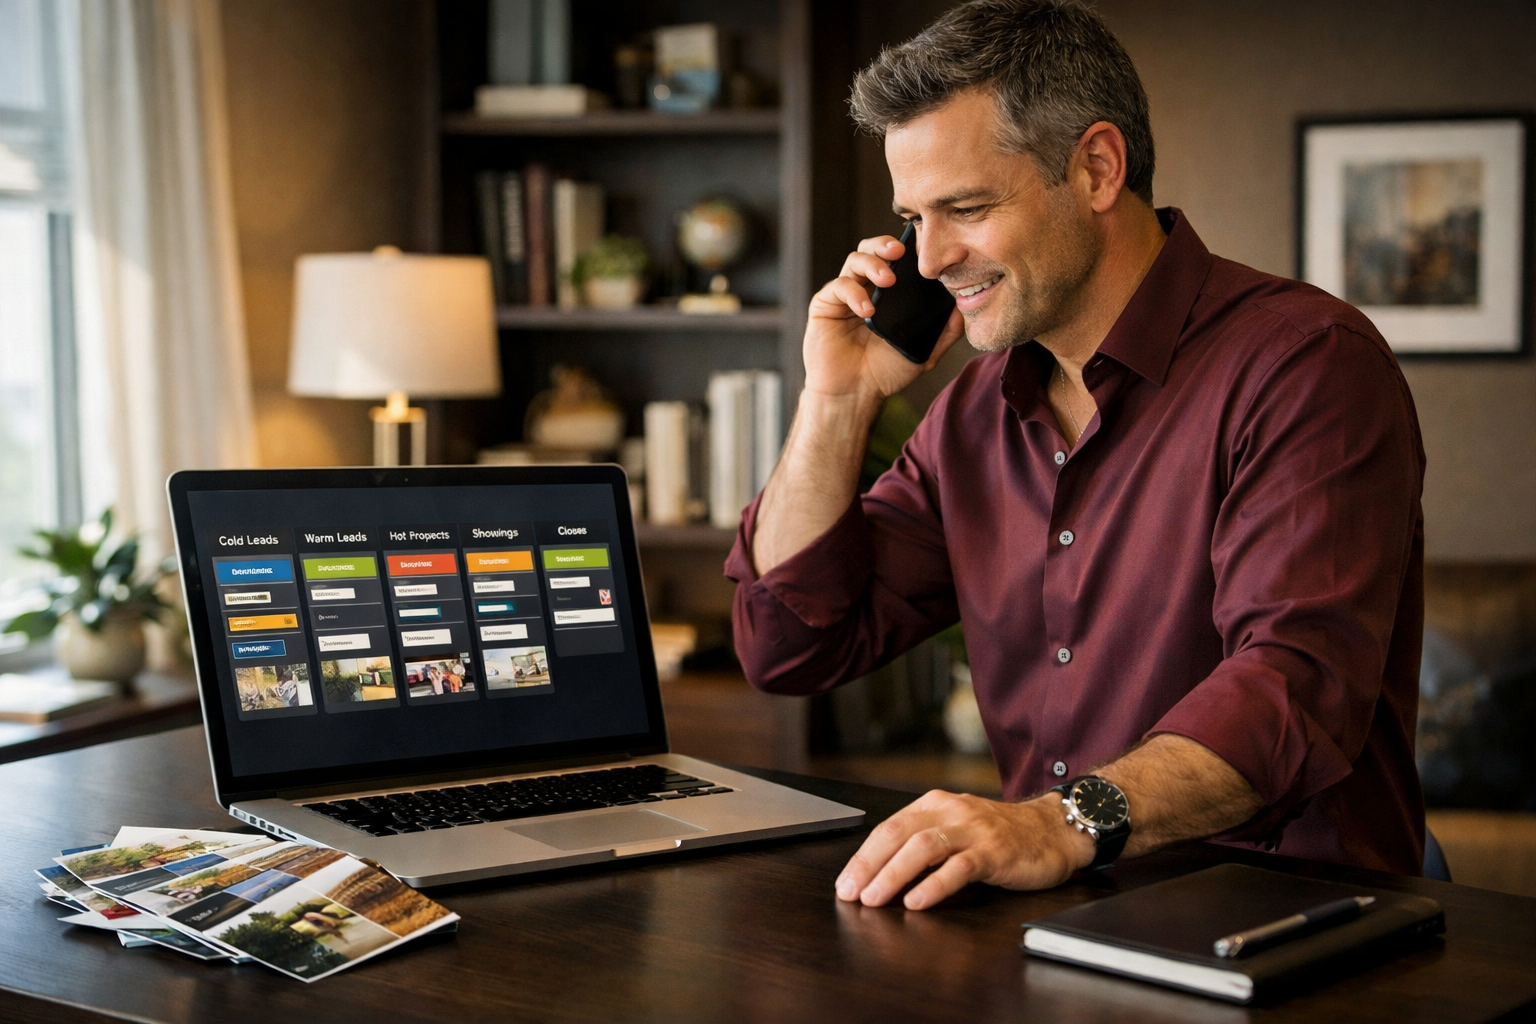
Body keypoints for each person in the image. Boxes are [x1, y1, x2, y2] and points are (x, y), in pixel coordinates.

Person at [727, 0, 1426, 912]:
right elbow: (790, 647)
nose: (929, 258)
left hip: (1287, 921)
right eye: (912, 217)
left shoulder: (1306, 364)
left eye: (966, 208)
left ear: (1097, 168)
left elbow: (1296, 686)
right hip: (1055, 924)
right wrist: (837, 400)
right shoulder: (975, 414)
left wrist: (1055, 824)